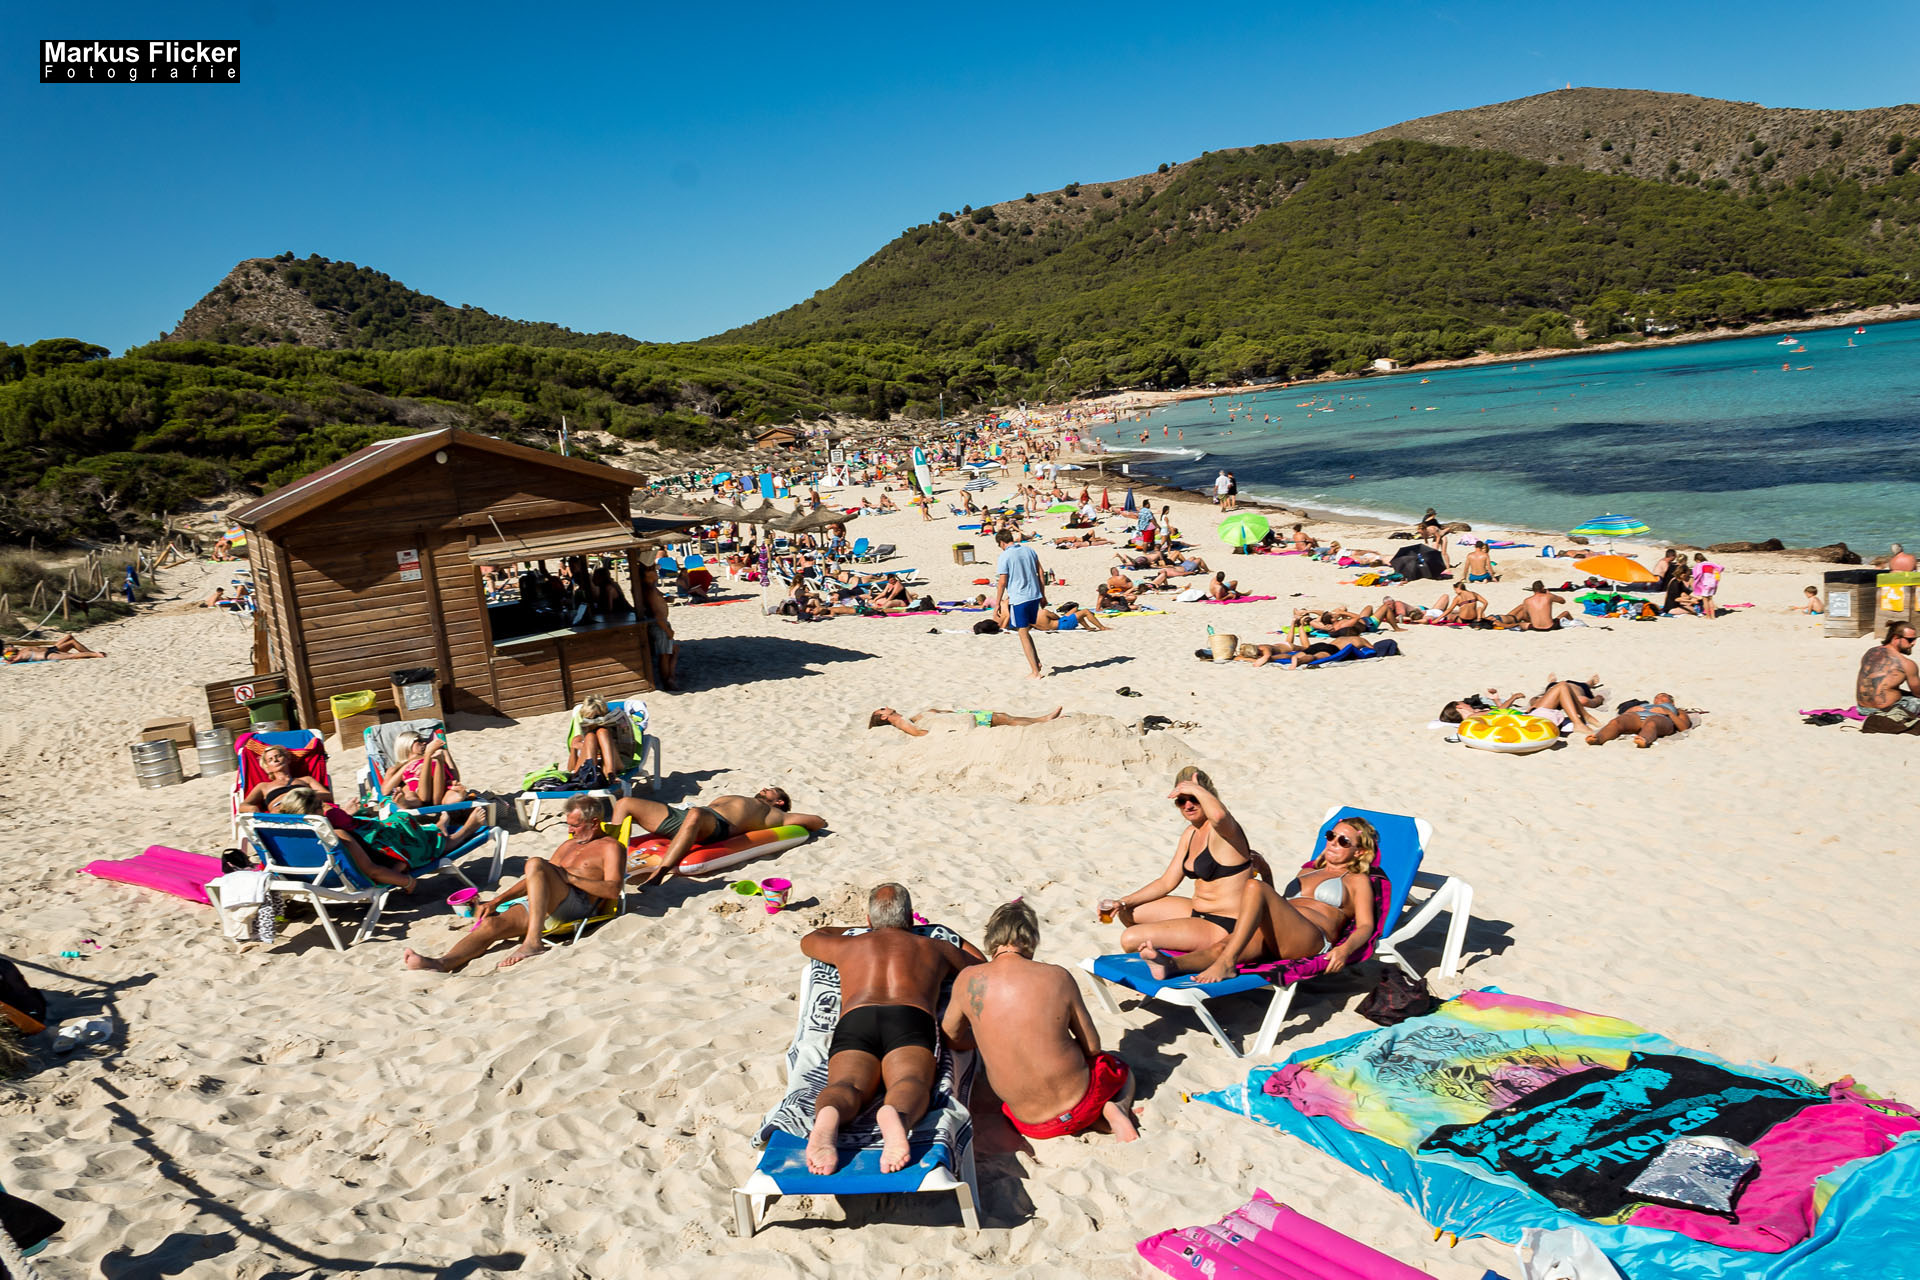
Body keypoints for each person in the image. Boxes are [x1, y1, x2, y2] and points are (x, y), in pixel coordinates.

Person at [800, 884, 983, 1174]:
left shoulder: (848, 945)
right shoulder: (934, 947)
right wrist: (950, 936)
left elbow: (810, 939)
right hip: (909, 1017)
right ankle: (895, 1114)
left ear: (869, 920)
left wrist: (858, 930)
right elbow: (980, 965)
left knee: (846, 1084)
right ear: (910, 918)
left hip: (857, 1018)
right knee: (910, 1080)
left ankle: (830, 1114)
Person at [942, 901, 1138, 1143]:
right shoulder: (1057, 975)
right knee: (1116, 1067)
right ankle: (1116, 1108)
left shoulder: (967, 980)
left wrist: (985, 1040)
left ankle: (1098, 1118)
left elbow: (951, 1036)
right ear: (1031, 938)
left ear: (991, 937)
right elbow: (1092, 1047)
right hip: (1081, 1101)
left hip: (1031, 1124)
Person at [1120, 813, 1379, 987]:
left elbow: (1366, 926)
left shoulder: (1357, 880)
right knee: (1224, 945)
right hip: (1282, 931)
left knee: (1253, 888)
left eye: (1343, 841)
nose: (1333, 843)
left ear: (1360, 852)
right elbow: (1279, 904)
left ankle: (1227, 963)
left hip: (1312, 939)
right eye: (1331, 836)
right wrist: (1266, 872)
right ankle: (1171, 965)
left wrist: (1344, 949)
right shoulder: (1307, 871)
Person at [404, 795, 625, 971]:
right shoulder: (568, 846)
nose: (569, 831)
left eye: (575, 826)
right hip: (544, 905)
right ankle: (441, 963)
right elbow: (536, 878)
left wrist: (570, 878)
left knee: (536, 862)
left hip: (577, 905)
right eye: (568, 825)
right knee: (491, 924)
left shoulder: (611, 847)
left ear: (594, 822)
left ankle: (533, 942)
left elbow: (613, 890)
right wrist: (497, 901)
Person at [1101, 768, 1265, 966]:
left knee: (1130, 938)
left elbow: (1219, 815)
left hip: (1226, 923)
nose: (1188, 805)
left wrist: (1198, 790)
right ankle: (1171, 951)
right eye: (1181, 801)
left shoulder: (1226, 832)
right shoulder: (1191, 833)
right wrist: (1122, 902)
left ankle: (1178, 961)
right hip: (1198, 912)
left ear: (1208, 796)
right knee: (1129, 911)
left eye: (1194, 799)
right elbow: (1166, 882)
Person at [614, 788, 827, 886]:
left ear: (780, 801)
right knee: (625, 803)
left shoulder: (777, 815)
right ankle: (607, 848)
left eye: (772, 790)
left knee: (696, 814)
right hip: (685, 817)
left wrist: (792, 818)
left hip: (712, 825)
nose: (764, 789)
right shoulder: (743, 798)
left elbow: (818, 821)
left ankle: (660, 873)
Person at [993, 529, 1047, 679]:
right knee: (1026, 630)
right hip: (1034, 595)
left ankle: (1035, 672)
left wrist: (997, 604)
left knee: (1022, 633)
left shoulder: (1005, 556)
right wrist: (1043, 594)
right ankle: (1036, 663)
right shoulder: (1029, 550)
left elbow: (1002, 582)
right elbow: (1041, 572)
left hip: (1020, 598)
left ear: (1001, 542)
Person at [1855, 621, 1920, 725]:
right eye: (1910, 640)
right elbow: (1918, 693)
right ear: (1896, 638)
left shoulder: (1870, 652)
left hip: (1862, 709)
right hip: (1885, 711)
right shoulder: (1906, 664)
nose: (1914, 643)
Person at [1585, 694, 1694, 748]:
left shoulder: (1676, 709)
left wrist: (1669, 712)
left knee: (1652, 722)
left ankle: (1644, 739)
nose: (1659, 698)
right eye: (1656, 697)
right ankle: (1599, 738)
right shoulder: (1646, 705)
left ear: (1672, 702)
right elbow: (1622, 715)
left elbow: (1684, 727)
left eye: (1663, 696)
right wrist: (1630, 710)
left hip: (1661, 719)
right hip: (1637, 717)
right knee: (1617, 721)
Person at [870, 706, 1063, 735]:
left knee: (1002, 716)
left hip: (958, 717)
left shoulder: (905, 719)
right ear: (884, 717)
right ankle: (1042, 722)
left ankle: (1040, 719)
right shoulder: (901, 723)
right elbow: (919, 733)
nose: (885, 706)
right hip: (959, 722)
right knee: (1004, 719)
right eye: (882, 709)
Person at [567, 696, 634, 775]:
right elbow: (571, 769)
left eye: (597, 717)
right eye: (588, 718)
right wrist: (574, 748)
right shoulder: (578, 739)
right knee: (590, 736)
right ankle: (593, 773)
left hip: (611, 764)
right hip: (586, 771)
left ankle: (610, 773)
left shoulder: (608, 733)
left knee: (602, 732)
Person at [638, 565, 677, 689]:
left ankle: (670, 677)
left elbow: (659, 601)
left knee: (672, 650)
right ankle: (667, 681)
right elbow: (656, 613)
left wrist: (666, 599)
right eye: (652, 570)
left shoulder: (652, 587)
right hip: (659, 624)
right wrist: (667, 629)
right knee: (664, 654)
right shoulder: (649, 590)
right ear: (646, 575)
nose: (656, 572)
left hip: (661, 623)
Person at [1500, 582, 1571, 631]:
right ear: (1543, 588)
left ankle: (1503, 625)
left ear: (1533, 590)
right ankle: (1572, 623)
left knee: (1521, 624)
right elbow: (1563, 601)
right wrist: (1550, 594)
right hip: (1551, 626)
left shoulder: (1527, 600)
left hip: (1535, 627)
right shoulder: (1548, 596)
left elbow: (1525, 615)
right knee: (1566, 613)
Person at [3, 633, 105, 662]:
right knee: (72, 652)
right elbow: (9, 659)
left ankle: (91, 653)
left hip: (51, 649)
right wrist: (6, 658)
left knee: (70, 638)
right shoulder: (20, 655)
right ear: (10, 653)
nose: (11, 646)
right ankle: (93, 654)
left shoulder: (22, 650)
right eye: (9, 648)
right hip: (50, 653)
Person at [1690, 555, 1722, 620]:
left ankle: (1708, 616)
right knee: (1710, 599)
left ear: (1697, 560)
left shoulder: (1700, 565)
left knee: (1705, 600)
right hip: (1713, 583)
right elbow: (1721, 568)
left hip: (1705, 584)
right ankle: (1713, 616)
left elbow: (1697, 574)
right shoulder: (1712, 564)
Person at [1036, 604, 1109, 632]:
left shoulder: (1031, 619)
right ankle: (1102, 627)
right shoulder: (1043, 612)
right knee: (1086, 611)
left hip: (1060, 623)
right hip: (1062, 624)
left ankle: (1087, 627)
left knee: (1075, 609)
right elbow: (1056, 617)